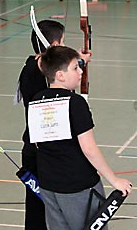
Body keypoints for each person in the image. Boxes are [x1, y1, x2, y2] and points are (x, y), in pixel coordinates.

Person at [30, 45, 133, 230]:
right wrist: (114, 180)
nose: (80, 71)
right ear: (60, 75)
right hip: (78, 186)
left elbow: (38, 143)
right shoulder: (75, 103)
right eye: (75, 68)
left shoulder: (37, 99)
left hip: (49, 185)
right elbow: (89, 148)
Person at [16, 19, 92, 229]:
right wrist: (74, 60)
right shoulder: (34, 70)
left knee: (55, 211)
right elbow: (49, 67)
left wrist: (78, 62)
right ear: (54, 46)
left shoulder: (41, 67)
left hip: (50, 152)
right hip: (39, 152)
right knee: (38, 211)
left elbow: (56, 68)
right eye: (62, 43)